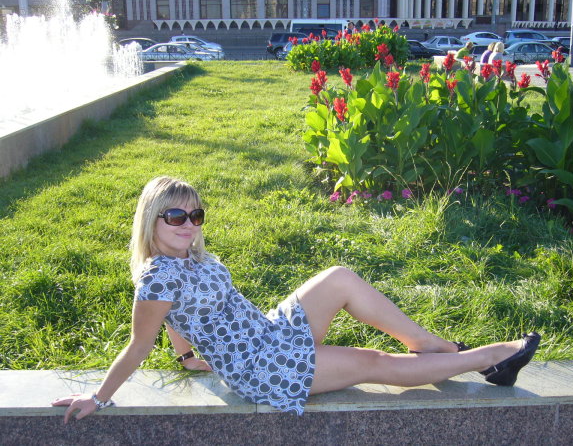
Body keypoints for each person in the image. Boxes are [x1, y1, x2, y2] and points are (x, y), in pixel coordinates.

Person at [52, 176, 541, 422]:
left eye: (195, 216)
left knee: (339, 277)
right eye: (175, 217)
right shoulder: (157, 278)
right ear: (151, 220)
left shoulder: (190, 258)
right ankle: (491, 358)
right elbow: (140, 343)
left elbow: (176, 317)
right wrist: (97, 398)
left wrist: (186, 357)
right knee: (372, 361)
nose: (188, 226)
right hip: (260, 367)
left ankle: (434, 347)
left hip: (267, 331)